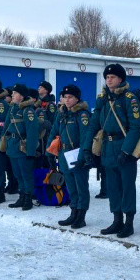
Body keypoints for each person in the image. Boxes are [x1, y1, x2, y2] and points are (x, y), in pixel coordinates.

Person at [81, 63, 140, 238]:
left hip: (124, 145)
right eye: (107, 77)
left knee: (127, 186)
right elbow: (94, 123)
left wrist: (126, 151)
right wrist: (87, 148)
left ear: (121, 79)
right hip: (107, 146)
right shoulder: (102, 98)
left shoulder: (129, 98)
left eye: (113, 77)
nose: (109, 80)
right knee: (113, 186)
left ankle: (129, 223)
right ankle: (117, 220)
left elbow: (136, 126)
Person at [48, 84, 91, 229]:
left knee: (81, 187)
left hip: (77, 154)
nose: (67, 100)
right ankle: (73, 212)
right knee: (71, 186)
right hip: (64, 154)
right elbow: (54, 132)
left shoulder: (82, 115)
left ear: (77, 98)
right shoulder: (62, 114)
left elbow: (86, 137)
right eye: (65, 97)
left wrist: (82, 157)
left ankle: (81, 215)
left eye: (70, 97)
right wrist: (50, 152)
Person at [5, 84, 39, 211]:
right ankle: (21, 196)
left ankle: (28, 199)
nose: (12, 95)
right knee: (17, 174)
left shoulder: (28, 111)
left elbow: (32, 133)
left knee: (26, 174)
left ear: (22, 96)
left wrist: (30, 152)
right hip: (13, 146)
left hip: (23, 148)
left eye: (15, 93)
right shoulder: (13, 108)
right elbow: (6, 127)